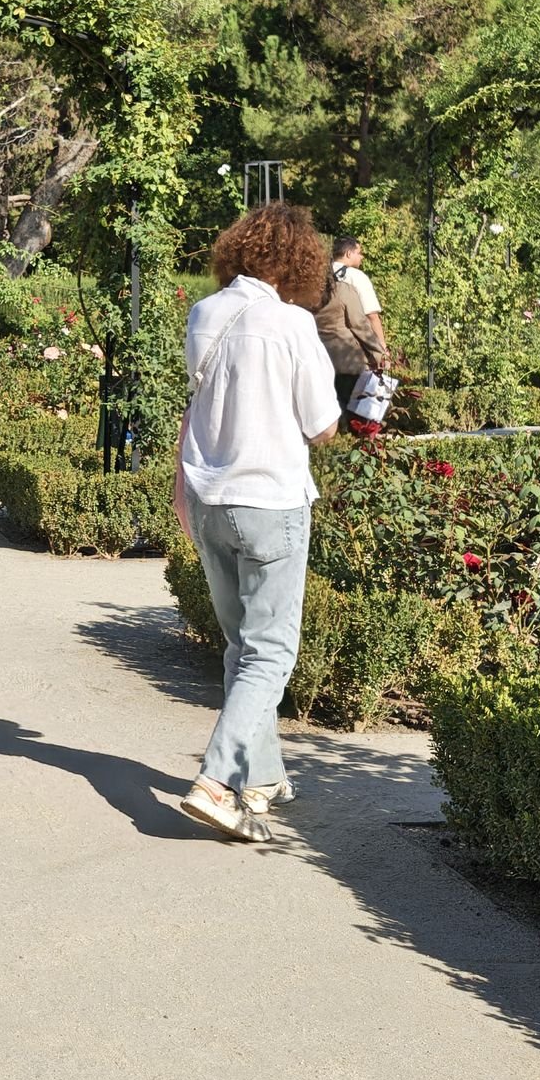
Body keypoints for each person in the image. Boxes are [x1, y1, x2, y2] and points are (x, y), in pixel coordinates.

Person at [172, 203, 340, 843]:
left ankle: (261, 776)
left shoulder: (205, 313)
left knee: (243, 644)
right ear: (299, 261)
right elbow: (322, 425)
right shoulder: (291, 323)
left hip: (210, 498)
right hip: (269, 501)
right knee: (271, 652)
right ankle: (216, 783)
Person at [313, 270, 386, 414]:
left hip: (317, 359)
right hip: (346, 359)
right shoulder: (343, 290)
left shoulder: (304, 293)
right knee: (352, 412)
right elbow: (358, 324)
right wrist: (378, 353)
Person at [331, 237, 390, 366]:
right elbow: (371, 316)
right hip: (351, 354)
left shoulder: (319, 275)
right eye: (359, 253)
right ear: (348, 254)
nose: (362, 257)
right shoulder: (357, 276)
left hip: (321, 351)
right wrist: (382, 349)